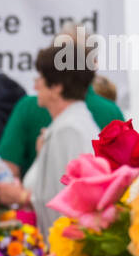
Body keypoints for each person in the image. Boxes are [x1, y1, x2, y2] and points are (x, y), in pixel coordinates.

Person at [0, 27, 123, 178]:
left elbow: (7, 169)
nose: (36, 84)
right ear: (94, 64)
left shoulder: (28, 107)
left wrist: (20, 195)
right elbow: (125, 172)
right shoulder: (112, 112)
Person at [21, 45, 99, 238]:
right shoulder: (69, 125)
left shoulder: (69, 130)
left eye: (40, 78)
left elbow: (66, 202)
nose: (35, 86)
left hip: (63, 249)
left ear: (57, 87)